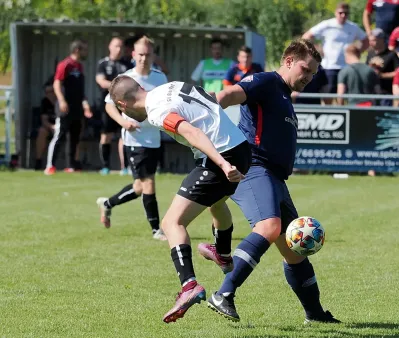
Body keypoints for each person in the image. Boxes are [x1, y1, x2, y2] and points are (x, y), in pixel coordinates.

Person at [203, 39, 340, 324]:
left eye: (314, 73)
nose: (309, 76)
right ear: (289, 61)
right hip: (253, 168)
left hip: (275, 178)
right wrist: (203, 116)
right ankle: (223, 294)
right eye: (306, 69)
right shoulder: (266, 81)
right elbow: (229, 94)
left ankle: (314, 313)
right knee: (269, 227)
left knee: (294, 250)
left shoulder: (284, 94)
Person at [108, 75, 250, 323]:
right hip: (240, 147)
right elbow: (207, 100)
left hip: (220, 155)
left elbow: (191, 131)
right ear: (141, 87)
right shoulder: (170, 87)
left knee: (171, 223)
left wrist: (222, 163)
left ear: (122, 105)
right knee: (216, 203)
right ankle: (224, 254)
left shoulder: (157, 111)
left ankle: (189, 286)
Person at [96, 36, 168, 240]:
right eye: (140, 54)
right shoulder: (125, 78)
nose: (143, 58)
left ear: (153, 55)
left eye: (148, 54)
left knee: (139, 187)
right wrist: (123, 122)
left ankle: (108, 204)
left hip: (154, 137)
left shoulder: (160, 78)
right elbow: (109, 105)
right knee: (149, 183)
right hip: (134, 139)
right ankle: (156, 230)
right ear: (134, 54)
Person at [302, 2, 368, 104]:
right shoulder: (327, 25)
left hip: (347, 66)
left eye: (346, 13)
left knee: (345, 95)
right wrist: (316, 49)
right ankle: (330, 113)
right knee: (328, 93)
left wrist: (357, 52)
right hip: (330, 66)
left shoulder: (353, 27)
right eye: (341, 13)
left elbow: (365, 40)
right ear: (336, 12)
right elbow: (307, 36)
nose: (343, 15)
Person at [45, 39, 93, 175]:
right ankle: (50, 166)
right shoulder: (65, 65)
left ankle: (70, 166)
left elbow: (80, 90)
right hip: (64, 107)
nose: (86, 52)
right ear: (77, 50)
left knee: (74, 137)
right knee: (59, 135)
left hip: (77, 108)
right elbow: (56, 84)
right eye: (84, 50)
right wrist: (61, 101)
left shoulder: (79, 66)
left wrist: (85, 105)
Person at [96, 37, 129, 175]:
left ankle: (125, 167)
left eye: (121, 46)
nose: (119, 49)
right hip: (107, 104)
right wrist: (119, 87)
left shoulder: (127, 64)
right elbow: (101, 81)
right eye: (116, 46)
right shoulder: (103, 64)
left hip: (124, 104)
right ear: (110, 47)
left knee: (124, 135)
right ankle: (105, 167)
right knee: (106, 135)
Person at [34, 80, 57, 170]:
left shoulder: (62, 101)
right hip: (51, 127)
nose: (49, 94)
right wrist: (52, 127)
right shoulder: (45, 102)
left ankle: (73, 163)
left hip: (62, 128)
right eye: (47, 92)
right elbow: (44, 120)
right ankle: (38, 161)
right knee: (42, 131)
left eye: (51, 92)